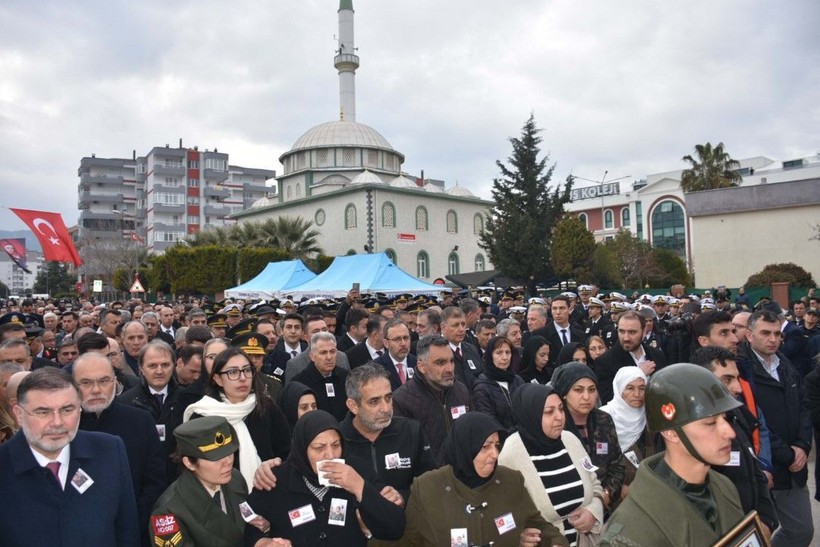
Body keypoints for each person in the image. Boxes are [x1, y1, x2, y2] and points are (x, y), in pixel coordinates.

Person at [600, 363, 745, 546]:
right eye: (709, 423)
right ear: (671, 432)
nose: (730, 433)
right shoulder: (630, 531)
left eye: (725, 418)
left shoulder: (724, 488)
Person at [0, 368, 140, 546]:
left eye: (67, 409)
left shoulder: (110, 451)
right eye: (43, 412)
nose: (57, 422)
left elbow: (127, 531)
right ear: (19, 415)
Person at [402, 412, 569, 547]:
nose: (495, 455)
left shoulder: (510, 480)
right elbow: (409, 541)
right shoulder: (426, 489)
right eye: (485, 447)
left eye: (497, 446)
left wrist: (555, 542)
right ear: (465, 446)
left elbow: (538, 525)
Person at [246, 410, 406, 546]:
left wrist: (359, 486)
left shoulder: (356, 470)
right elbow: (243, 523)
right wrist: (261, 541)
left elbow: (395, 528)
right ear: (302, 449)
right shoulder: (276, 479)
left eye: (336, 445)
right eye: (319, 448)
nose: (330, 455)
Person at [73, 352, 168, 546]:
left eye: (104, 381)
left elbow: (155, 481)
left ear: (115, 382)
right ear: (72, 386)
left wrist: (131, 521)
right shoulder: (64, 427)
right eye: (86, 383)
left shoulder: (140, 421)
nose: (96, 390)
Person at [736, 309, 813, 546]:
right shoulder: (741, 370)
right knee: (755, 535)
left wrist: (802, 445)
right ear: (749, 335)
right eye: (765, 333)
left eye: (777, 334)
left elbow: (804, 405)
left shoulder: (785, 364)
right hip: (765, 466)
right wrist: (787, 454)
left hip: (794, 466)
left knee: (801, 530)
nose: (773, 339)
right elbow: (754, 421)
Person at [499, 383, 605, 547]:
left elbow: (595, 484)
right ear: (530, 415)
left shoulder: (570, 440)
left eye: (561, 409)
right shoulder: (511, 455)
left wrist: (593, 512)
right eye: (549, 412)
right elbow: (504, 511)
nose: (559, 417)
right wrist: (520, 535)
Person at [690, 346, 778, 537]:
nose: (738, 388)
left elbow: (755, 474)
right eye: (727, 380)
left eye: (736, 378)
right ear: (701, 382)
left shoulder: (738, 415)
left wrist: (765, 520)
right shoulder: (687, 433)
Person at [150, 416, 271, 547]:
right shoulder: (167, 513)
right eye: (216, 457)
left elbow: (239, 530)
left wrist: (259, 538)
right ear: (189, 463)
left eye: (229, 452)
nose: (228, 462)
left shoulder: (235, 480)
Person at [184, 347, 291, 492]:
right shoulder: (203, 414)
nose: (242, 378)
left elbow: (286, 452)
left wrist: (275, 465)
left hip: (267, 491)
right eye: (233, 372)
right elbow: (194, 465)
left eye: (247, 370)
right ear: (217, 379)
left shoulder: (266, 407)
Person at [340, 364, 436, 504]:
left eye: (388, 398)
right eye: (374, 401)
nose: (385, 408)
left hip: (407, 521)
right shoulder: (336, 440)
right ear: (353, 406)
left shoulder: (411, 432)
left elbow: (431, 483)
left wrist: (404, 496)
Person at [552, 362, 625, 511]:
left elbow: (617, 465)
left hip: (604, 504)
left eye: (592, 390)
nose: (586, 397)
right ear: (564, 394)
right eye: (578, 390)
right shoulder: (556, 424)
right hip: (571, 509)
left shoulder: (604, 420)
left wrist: (604, 497)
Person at [392, 334, 472, 465]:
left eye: (451, 361)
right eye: (440, 362)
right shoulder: (401, 401)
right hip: (428, 480)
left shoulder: (461, 390)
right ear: (422, 366)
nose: (449, 369)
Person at [598, 367, 655, 497]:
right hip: (617, 491)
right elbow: (601, 459)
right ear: (619, 390)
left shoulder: (650, 416)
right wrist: (618, 485)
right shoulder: (604, 417)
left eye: (642, 388)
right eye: (630, 388)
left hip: (650, 487)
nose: (637, 394)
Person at [593, 311, 668, 404]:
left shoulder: (657, 355)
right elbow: (609, 400)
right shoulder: (605, 361)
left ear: (644, 331)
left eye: (632, 332)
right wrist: (638, 374)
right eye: (621, 331)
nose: (626, 338)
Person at [291, 332, 349, 421]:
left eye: (333, 352)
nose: (329, 357)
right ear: (312, 356)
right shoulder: (300, 382)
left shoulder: (346, 377)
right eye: (323, 353)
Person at [472, 336, 524, 430]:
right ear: (490, 356)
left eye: (508, 352)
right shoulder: (482, 387)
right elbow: (489, 420)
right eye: (499, 353)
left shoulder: (517, 380)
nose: (505, 357)